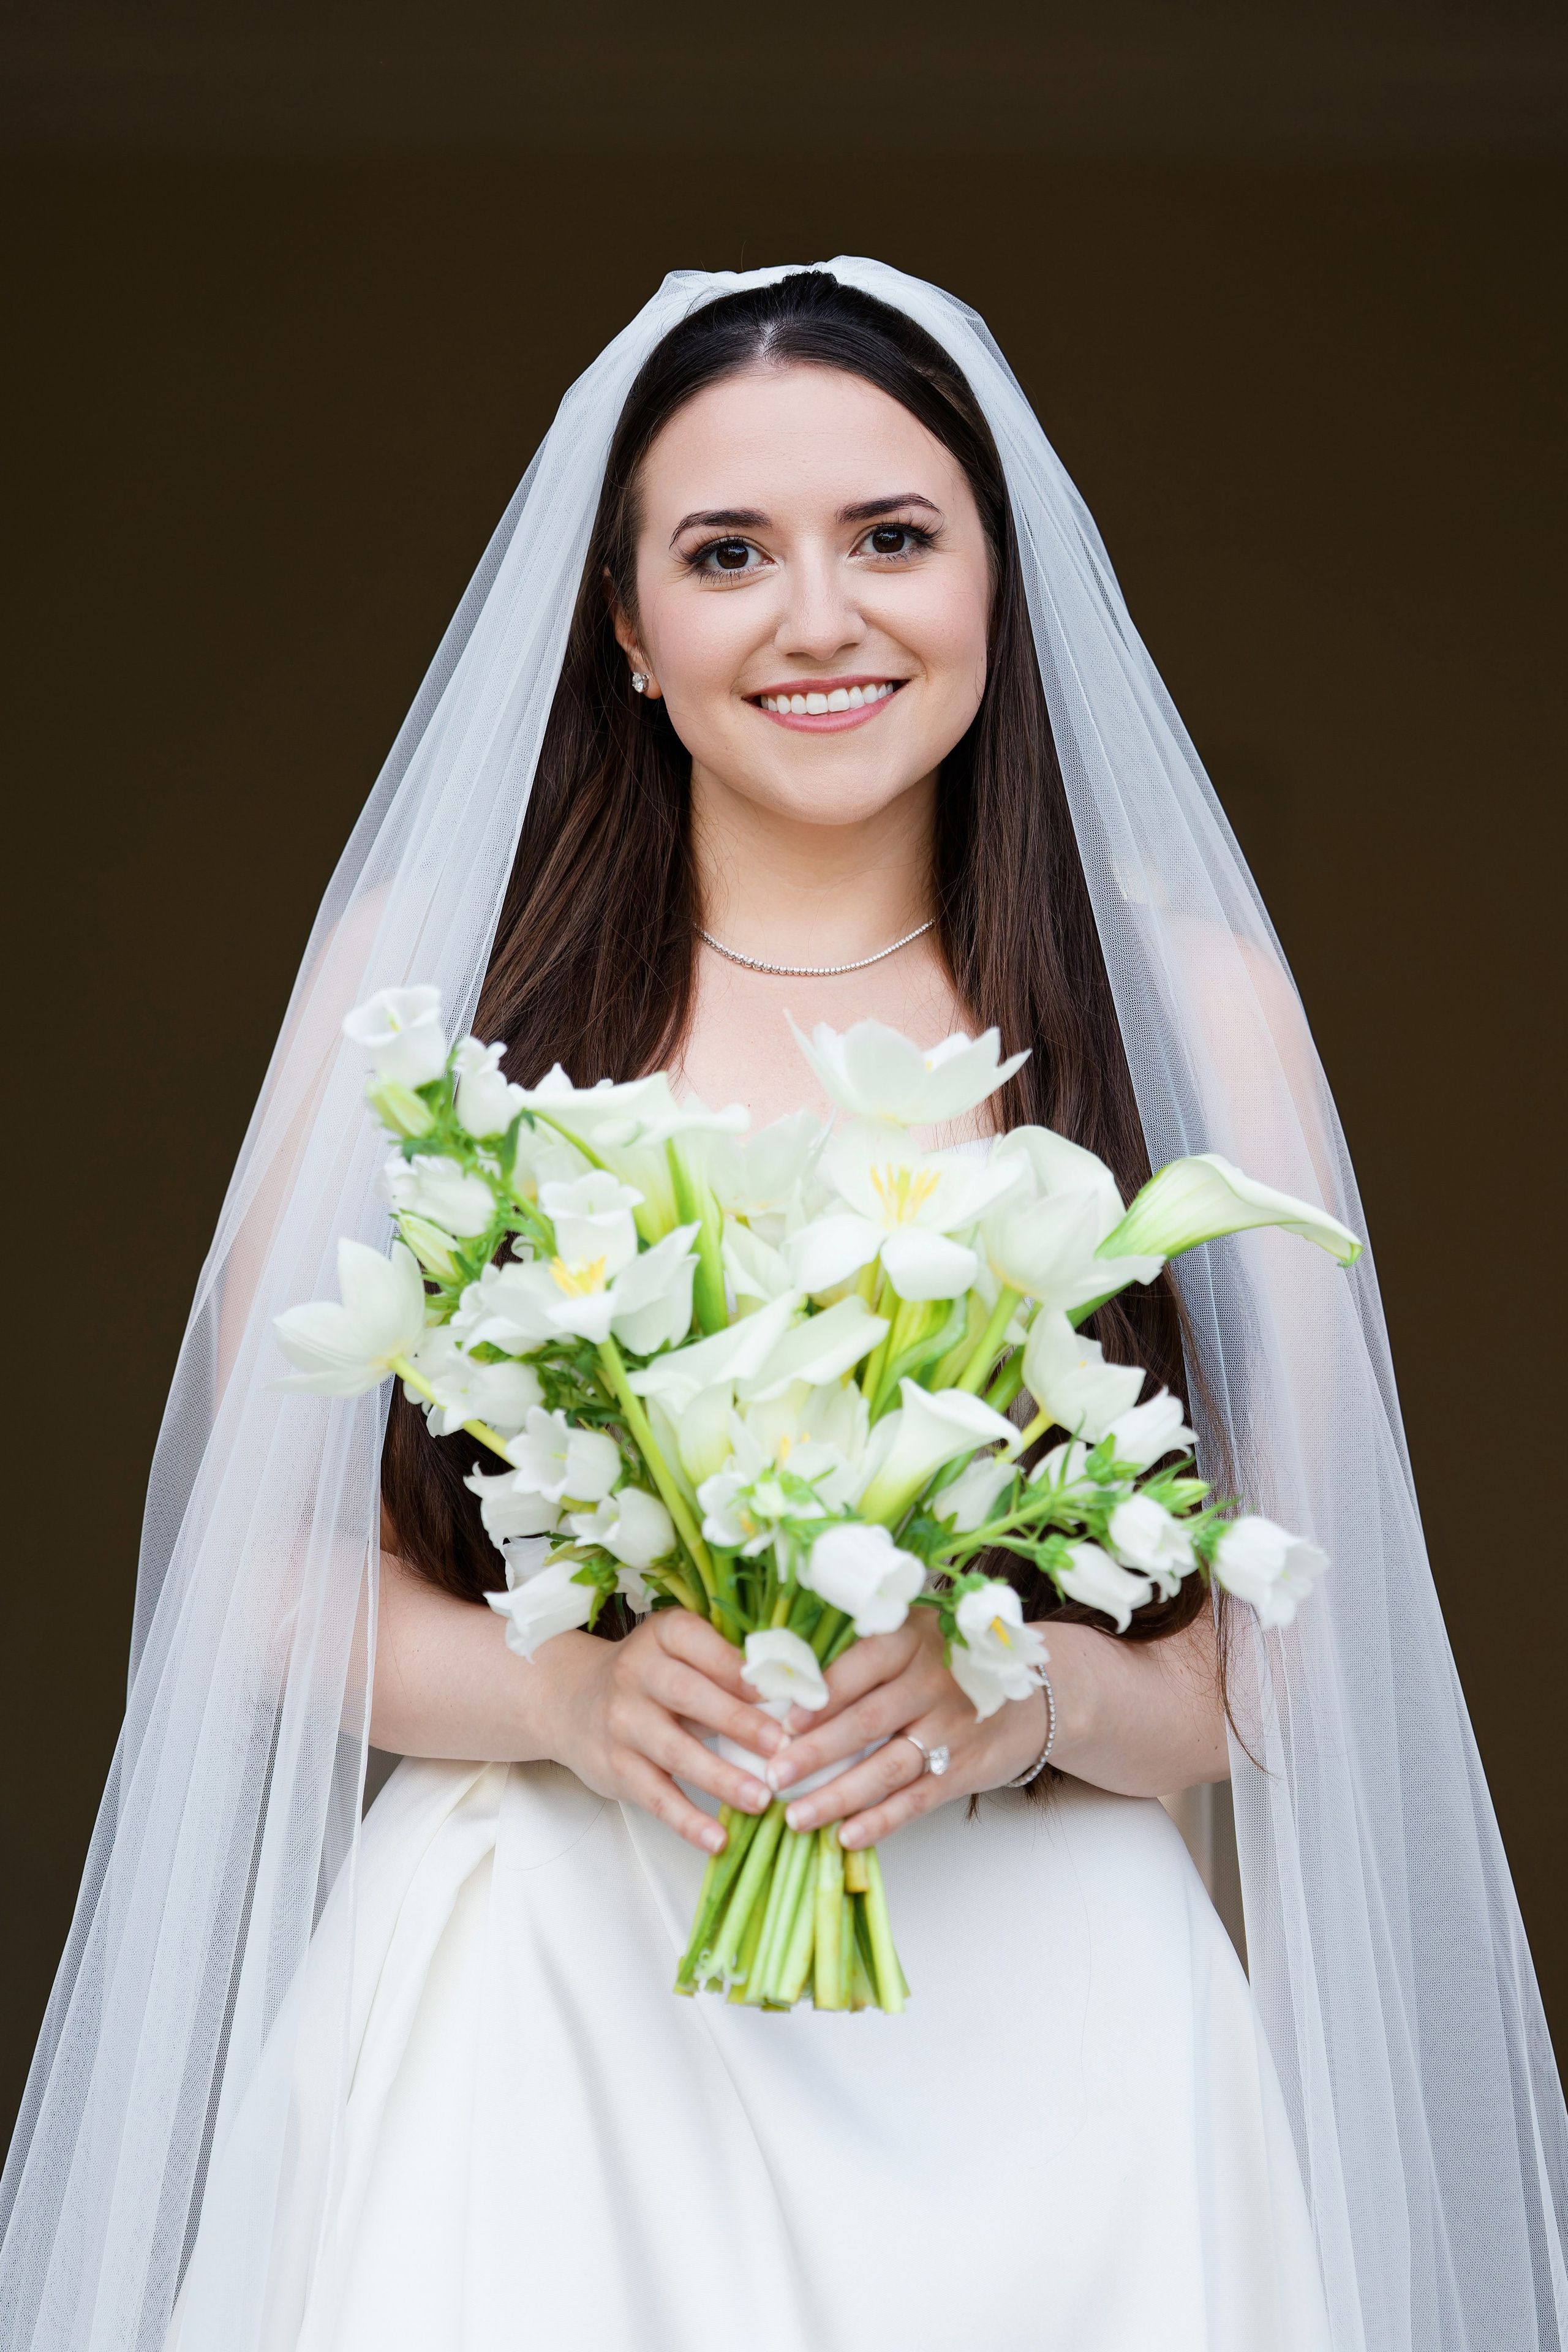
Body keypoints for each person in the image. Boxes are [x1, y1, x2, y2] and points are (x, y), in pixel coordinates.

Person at [2, 263, 1562, 2352]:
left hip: (1059, 2049)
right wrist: (558, 1694)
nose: (819, 618)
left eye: (893, 539)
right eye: (729, 555)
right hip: (548, 2002)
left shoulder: (1191, 1014)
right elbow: (267, 1580)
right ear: (630, 634)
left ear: (999, 589)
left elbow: (1288, 1661)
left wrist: (1029, 1709)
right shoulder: (431, 988)